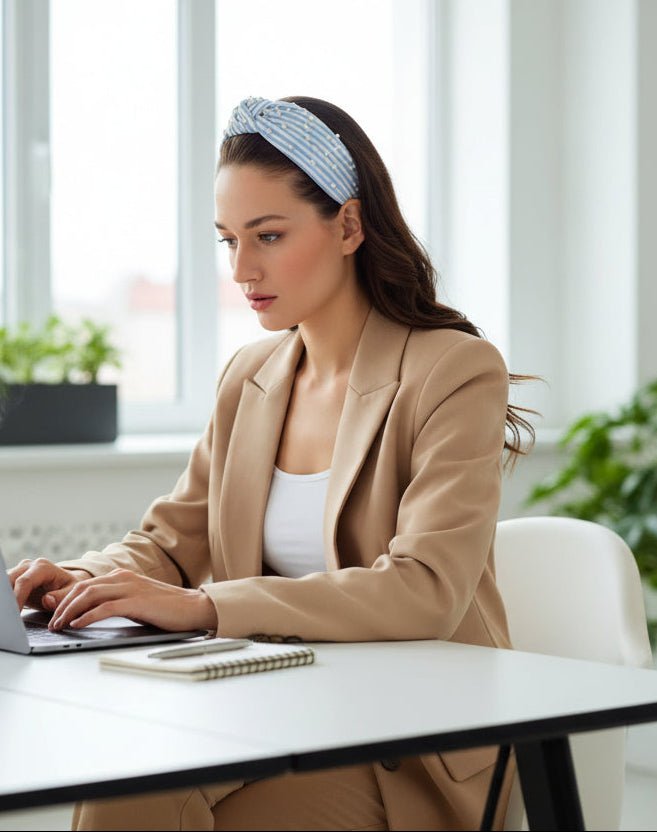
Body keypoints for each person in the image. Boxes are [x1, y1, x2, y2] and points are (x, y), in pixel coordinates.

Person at [9, 95, 536, 831]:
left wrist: (209, 605)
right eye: (228, 240)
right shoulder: (249, 376)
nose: (241, 268)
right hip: (265, 710)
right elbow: (170, 542)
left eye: (268, 235)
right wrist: (83, 580)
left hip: (403, 741)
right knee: (120, 792)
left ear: (348, 226)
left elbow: (425, 590)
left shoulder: (452, 370)